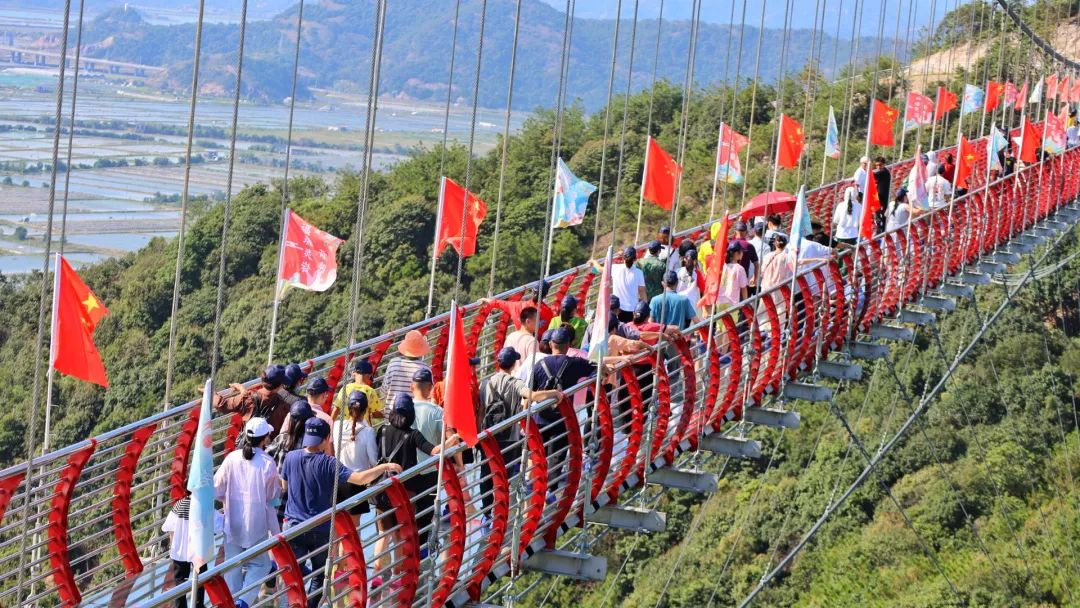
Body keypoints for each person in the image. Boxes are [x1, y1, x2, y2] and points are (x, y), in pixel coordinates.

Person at [280, 417, 401, 608]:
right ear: (326, 438)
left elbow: (285, 487)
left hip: (293, 527)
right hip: (320, 529)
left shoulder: (291, 457)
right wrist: (385, 466)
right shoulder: (329, 463)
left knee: (293, 578)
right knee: (319, 577)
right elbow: (360, 479)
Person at [373, 395, 458, 587]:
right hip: (405, 493)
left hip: (382, 490)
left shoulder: (382, 430)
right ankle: (398, 577)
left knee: (384, 533)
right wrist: (452, 440)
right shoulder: (413, 435)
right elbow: (434, 451)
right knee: (402, 535)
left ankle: (377, 577)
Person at [478, 347, 564, 518]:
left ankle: (486, 514)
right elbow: (532, 396)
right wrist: (554, 393)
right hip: (510, 436)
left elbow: (481, 410)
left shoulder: (485, 383)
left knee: (486, 473)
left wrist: (479, 433)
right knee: (505, 475)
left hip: (488, 435)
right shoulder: (515, 382)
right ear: (513, 364)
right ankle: (501, 512)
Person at [214, 417, 280, 606]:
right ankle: (243, 601)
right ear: (265, 439)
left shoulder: (232, 458)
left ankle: (231, 601)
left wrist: (227, 500)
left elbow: (217, 488)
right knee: (262, 565)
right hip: (257, 523)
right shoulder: (267, 463)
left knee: (232, 566)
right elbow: (272, 497)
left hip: (232, 522)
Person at [332, 390, 378, 518]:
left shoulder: (337, 426)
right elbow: (374, 461)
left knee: (341, 524)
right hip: (357, 482)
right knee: (355, 526)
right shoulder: (368, 432)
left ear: (348, 409)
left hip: (339, 480)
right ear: (365, 410)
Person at [214, 364, 295, 437]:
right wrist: (243, 390)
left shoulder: (248, 398)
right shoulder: (284, 407)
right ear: (280, 386)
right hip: (267, 446)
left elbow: (221, 404)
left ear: (262, 380)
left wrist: (211, 393)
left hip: (248, 443)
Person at [162, 493, 209, 608]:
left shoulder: (179, 504)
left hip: (180, 550)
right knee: (201, 578)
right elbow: (215, 524)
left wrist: (173, 545)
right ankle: (198, 605)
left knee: (180, 581)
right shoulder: (203, 505)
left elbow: (169, 526)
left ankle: (180, 606)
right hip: (198, 550)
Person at [480, 280, 555, 333]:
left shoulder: (517, 306)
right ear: (545, 295)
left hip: (519, 345)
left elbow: (499, 303)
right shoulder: (549, 313)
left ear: (532, 292)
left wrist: (486, 300)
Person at [598, 245, 647, 323]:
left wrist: (593, 262)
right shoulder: (639, 273)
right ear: (635, 259)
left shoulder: (615, 268)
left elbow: (600, 269)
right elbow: (642, 292)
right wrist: (645, 307)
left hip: (618, 309)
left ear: (623, 258)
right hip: (633, 309)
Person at [381, 329, 431, 405]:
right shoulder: (425, 369)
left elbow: (384, 391)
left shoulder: (393, 364)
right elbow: (429, 394)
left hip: (392, 411)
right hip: (415, 411)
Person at [333, 357, 384, 423]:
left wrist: (330, 426)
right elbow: (374, 413)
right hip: (363, 427)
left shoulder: (345, 388)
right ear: (369, 375)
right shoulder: (370, 391)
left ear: (354, 373)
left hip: (346, 426)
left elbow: (336, 409)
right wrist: (386, 415)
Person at [728, 221, 759, 293]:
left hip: (730, 279)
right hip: (743, 281)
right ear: (746, 232)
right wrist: (755, 278)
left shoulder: (730, 245)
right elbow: (756, 264)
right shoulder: (749, 246)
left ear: (735, 232)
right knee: (744, 299)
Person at [872, 156, 891, 233]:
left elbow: (874, 175)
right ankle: (881, 228)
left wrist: (867, 170)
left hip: (883, 196)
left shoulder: (884, 172)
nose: (878, 167)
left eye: (880, 165)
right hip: (881, 195)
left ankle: (881, 229)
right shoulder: (883, 171)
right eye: (876, 165)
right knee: (878, 212)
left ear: (884, 164)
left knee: (882, 213)